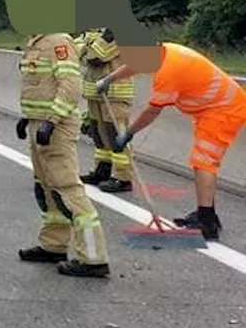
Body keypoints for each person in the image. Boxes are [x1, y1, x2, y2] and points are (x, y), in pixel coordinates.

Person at [100, 41, 246, 241]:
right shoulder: (163, 51)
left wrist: (129, 133)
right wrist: (109, 79)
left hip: (224, 110)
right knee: (202, 161)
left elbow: (152, 111)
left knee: (204, 162)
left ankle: (207, 223)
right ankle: (207, 214)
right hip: (215, 107)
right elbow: (136, 64)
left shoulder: (168, 71)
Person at [14, 31, 111, 278]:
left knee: (66, 189)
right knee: (46, 189)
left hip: (56, 126)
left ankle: (93, 258)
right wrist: (27, 118)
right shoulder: (36, 42)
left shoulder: (59, 42)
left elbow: (69, 85)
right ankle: (53, 244)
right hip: (40, 123)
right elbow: (41, 86)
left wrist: (53, 120)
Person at [74, 28, 134, 192]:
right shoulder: (92, 32)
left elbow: (98, 56)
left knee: (115, 133)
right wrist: (89, 46)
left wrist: (87, 46)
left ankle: (123, 178)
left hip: (114, 92)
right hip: (95, 91)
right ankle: (103, 170)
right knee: (99, 133)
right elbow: (75, 49)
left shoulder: (115, 31)